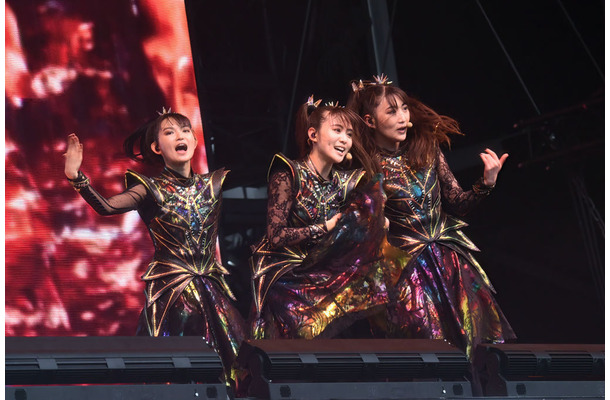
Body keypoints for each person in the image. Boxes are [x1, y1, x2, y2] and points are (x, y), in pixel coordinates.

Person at [63, 110, 245, 380]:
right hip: (173, 291)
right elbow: (107, 207)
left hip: (212, 287)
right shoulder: (150, 188)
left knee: (236, 363)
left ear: (195, 142)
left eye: (185, 131)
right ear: (156, 147)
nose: (179, 136)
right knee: (173, 366)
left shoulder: (213, 183)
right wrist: (76, 177)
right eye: (169, 133)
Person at [347, 75, 515, 358]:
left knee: (479, 351)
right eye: (392, 111)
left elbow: (457, 204)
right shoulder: (364, 168)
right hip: (407, 274)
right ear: (369, 121)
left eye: (404, 109)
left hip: (451, 266)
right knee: (431, 354)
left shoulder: (426, 149)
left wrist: (486, 184)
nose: (402, 117)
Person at [250, 97, 393, 340]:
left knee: (377, 282)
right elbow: (276, 236)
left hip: (325, 268)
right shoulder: (288, 173)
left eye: (348, 134)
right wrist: (325, 227)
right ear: (313, 135)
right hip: (287, 272)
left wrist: (375, 225)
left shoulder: (346, 183)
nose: (344, 140)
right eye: (337, 131)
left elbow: (355, 231)